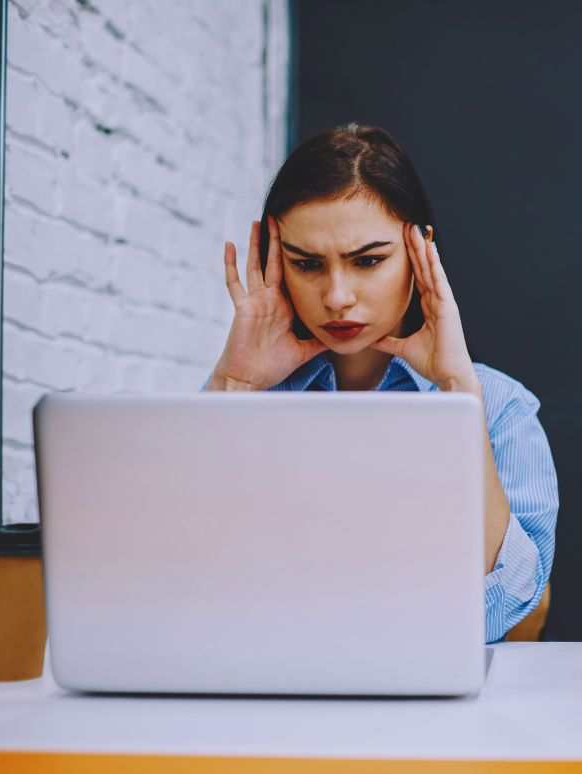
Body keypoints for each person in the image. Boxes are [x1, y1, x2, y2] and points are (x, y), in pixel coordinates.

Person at [205, 123, 558, 643]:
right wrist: (233, 384)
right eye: (307, 264)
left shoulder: (500, 406)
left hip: (425, 686)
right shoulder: (245, 394)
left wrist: (459, 391)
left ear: (420, 252)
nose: (337, 297)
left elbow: (505, 609)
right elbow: (175, 577)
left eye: (368, 260)